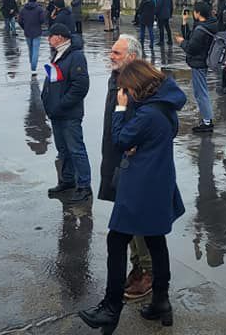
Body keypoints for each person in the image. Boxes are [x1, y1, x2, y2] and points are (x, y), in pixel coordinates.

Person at [78, 59, 185, 333]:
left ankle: (111, 307)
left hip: (141, 185)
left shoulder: (148, 115)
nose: (126, 93)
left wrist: (121, 107)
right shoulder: (164, 105)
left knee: (116, 240)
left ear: (136, 86)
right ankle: (161, 299)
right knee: (155, 240)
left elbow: (121, 139)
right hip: (159, 181)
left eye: (127, 89)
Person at [97, 35, 153, 300]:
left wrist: (135, 143)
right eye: (112, 51)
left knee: (136, 219)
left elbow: (150, 123)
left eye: (117, 53)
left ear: (132, 57)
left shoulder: (140, 83)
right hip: (115, 154)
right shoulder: (117, 78)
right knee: (124, 216)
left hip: (132, 159)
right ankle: (137, 266)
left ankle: (148, 272)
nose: (111, 56)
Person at [42, 23, 91, 203]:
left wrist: (62, 104)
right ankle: (67, 180)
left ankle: (84, 185)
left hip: (69, 113)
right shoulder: (58, 54)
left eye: (51, 36)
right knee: (62, 149)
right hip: (57, 112)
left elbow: (80, 86)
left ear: (61, 37)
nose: (48, 39)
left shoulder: (76, 56)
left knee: (76, 149)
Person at [176, 1, 216, 132]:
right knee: (201, 91)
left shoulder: (201, 30)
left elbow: (191, 47)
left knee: (201, 93)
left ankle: (207, 121)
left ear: (198, 13)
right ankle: (206, 119)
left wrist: (181, 43)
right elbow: (191, 37)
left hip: (198, 63)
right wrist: (184, 22)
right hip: (203, 61)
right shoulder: (208, 24)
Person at [17, 0, 47, 75]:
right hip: (37, 31)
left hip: (27, 31)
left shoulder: (23, 9)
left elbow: (19, 21)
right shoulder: (39, 9)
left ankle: (32, 64)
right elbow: (42, 20)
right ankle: (33, 68)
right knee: (35, 50)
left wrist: (24, 27)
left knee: (30, 49)